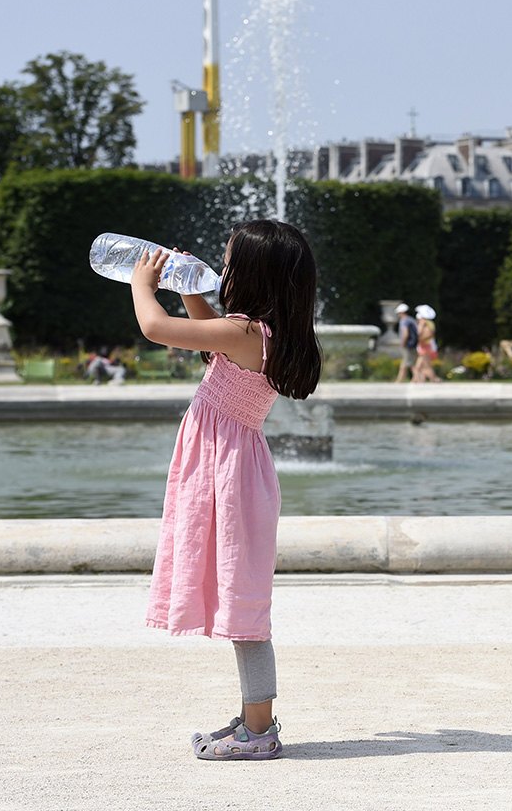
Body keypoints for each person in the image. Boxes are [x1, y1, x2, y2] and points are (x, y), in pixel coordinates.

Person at [130, 219, 322, 761]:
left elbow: (155, 328)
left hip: (229, 475)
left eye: (229, 261)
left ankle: (259, 731)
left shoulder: (243, 333)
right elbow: (207, 338)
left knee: (244, 605)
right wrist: (189, 287)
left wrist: (142, 284)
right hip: (232, 471)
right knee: (240, 597)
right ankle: (253, 719)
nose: (223, 267)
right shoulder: (257, 334)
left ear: (253, 274)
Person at [412, 304, 440, 383]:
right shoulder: (430, 323)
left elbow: (420, 334)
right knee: (419, 367)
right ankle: (419, 382)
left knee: (426, 367)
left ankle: (435, 380)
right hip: (425, 346)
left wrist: (420, 326)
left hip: (424, 346)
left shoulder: (425, 324)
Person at [393, 303, 418, 383]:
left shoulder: (404, 321)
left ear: (401, 312)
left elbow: (406, 334)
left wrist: (402, 343)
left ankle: (399, 381)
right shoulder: (411, 319)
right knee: (409, 363)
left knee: (409, 364)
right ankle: (411, 380)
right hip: (413, 344)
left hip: (407, 344)